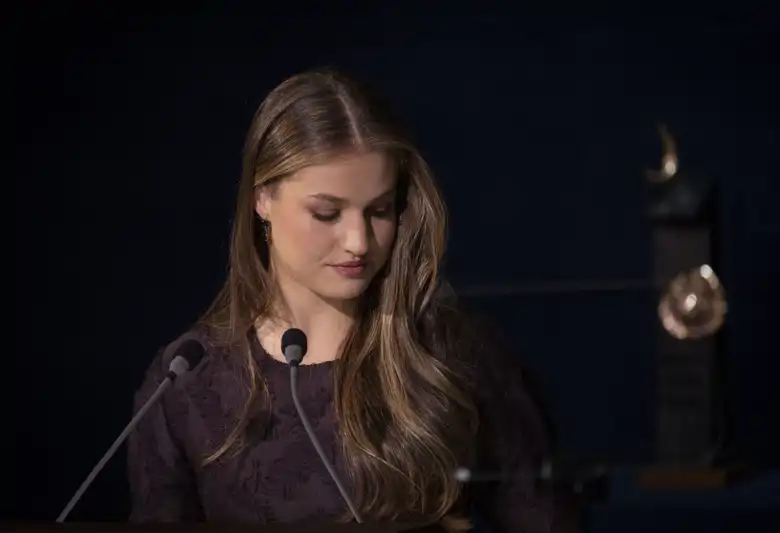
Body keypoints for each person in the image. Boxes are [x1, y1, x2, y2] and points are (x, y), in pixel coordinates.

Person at [127, 68, 554, 533]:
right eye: (326, 213)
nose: (358, 241)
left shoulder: (450, 352)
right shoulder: (187, 379)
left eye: (379, 210)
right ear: (262, 200)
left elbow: (543, 517)